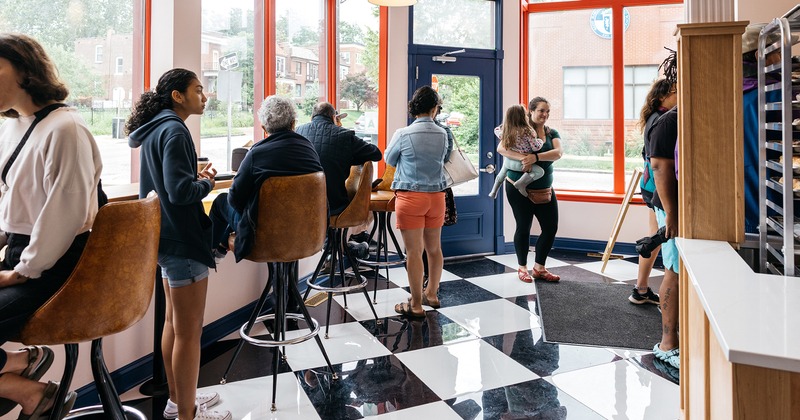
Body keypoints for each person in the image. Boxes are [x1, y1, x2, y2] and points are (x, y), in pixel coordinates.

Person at [0, 32, 101, 419]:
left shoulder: (65, 128)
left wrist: (21, 272)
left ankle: (25, 379)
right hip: (24, 254)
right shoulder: (15, 126)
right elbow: (14, 204)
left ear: (26, 69)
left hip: (55, 266)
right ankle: (21, 377)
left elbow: (66, 212)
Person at [126, 68, 230, 420]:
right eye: (198, 90)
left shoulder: (156, 129)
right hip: (182, 240)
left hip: (163, 238)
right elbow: (180, 192)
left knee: (174, 324)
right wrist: (207, 183)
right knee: (189, 332)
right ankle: (188, 412)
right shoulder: (175, 130)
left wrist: (193, 180)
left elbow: (167, 187)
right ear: (177, 95)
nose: (205, 96)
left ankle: (177, 401)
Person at [209, 95, 324, 263]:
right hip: (306, 232)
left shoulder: (256, 153)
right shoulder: (309, 149)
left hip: (263, 237)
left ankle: (212, 255)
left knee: (221, 201)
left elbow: (235, 200)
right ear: (293, 123)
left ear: (264, 128)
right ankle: (219, 248)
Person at [386, 86, 451, 318]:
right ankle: (431, 294)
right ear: (434, 108)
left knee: (414, 252)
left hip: (410, 197)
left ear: (414, 107)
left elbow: (389, 159)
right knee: (434, 249)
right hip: (437, 197)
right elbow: (444, 158)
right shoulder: (444, 134)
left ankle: (414, 304)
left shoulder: (403, 134)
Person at [498, 97, 563, 283]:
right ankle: (522, 268)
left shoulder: (551, 132)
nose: (545, 115)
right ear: (531, 111)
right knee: (524, 227)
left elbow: (558, 153)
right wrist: (523, 157)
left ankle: (539, 268)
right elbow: (501, 148)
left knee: (550, 228)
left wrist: (534, 157)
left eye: (547, 112)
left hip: (544, 189)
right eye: (541, 110)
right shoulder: (518, 127)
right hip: (518, 188)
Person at [648, 51, 680, 370]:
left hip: (681, 208)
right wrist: (671, 212)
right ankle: (667, 343)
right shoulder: (668, 120)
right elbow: (658, 166)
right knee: (673, 271)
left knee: (680, 271)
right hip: (669, 208)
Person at [630, 79, 675, 305]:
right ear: (662, 97)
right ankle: (641, 288)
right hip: (655, 187)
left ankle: (641, 288)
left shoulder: (654, 117)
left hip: (650, 186)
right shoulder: (662, 119)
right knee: (656, 239)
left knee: (655, 238)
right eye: (675, 92)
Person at [296, 102, 381, 216]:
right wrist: (348, 158)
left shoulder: (298, 131)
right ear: (333, 117)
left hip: (301, 204)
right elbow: (376, 154)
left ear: (311, 117)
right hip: (333, 205)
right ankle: (357, 234)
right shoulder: (344, 135)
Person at [490, 105, 546, 198]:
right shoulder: (528, 131)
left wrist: (505, 125)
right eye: (525, 114)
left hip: (508, 161)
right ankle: (521, 184)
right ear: (523, 117)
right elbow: (535, 147)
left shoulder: (505, 131)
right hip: (521, 164)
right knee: (540, 172)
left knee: (502, 173)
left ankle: (493, 191)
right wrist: (541, 141)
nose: (527, 116)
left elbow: (496, 130)